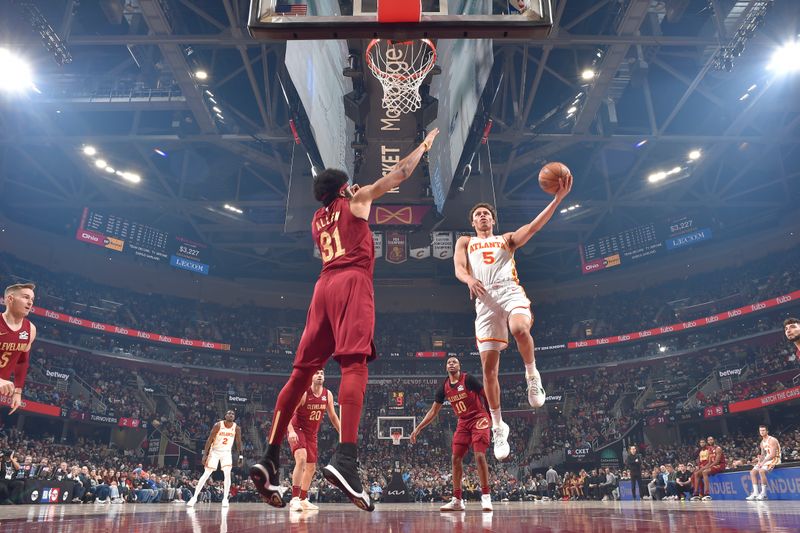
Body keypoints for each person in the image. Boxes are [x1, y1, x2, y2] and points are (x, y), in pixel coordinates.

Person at [250, 128, 440, 511]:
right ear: (345, 188)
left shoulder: (317, 221)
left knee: (301, 374)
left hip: (322, 288)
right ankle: (346, 458)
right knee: (354, 364)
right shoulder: (356, 201)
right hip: (352, 281)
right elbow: (400, 173)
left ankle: (270, 457)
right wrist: (423, 145)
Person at [453, 175, 572, 460]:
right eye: (478, 214)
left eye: (487, 214)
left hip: (509, 292)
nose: (483, 216)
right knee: (488, 371)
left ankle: (532, 375)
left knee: (520, 327)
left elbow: (532, 227)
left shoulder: (505, 240)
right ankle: (497, 426)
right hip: (484, 301)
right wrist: (468, 279)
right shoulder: (465, 242)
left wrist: (556, 200)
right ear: (473, 222)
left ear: (492, 221)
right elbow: (458, 268)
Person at [410, 357, 493, 512]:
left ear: (459, 366)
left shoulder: (468, 379)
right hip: (463, 421)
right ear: (446, 367)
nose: (452, 364)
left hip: (479, 418)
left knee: (479, 456)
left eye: (454, 362)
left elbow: (486, 395)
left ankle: (486, 496)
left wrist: (492, 416)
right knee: (455, 458)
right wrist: (418, 428)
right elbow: (433, 411)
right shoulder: (444, 387)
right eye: (449, 362)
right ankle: (457, 500)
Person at [287, 369, 340, 512]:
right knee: (302, 459)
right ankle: (294, 499)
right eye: (316, 373)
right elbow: (288, 413)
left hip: (312, 434)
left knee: (311, 468)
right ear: (311, 377)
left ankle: (303, 499)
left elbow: (333, 416)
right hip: (297, 429)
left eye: (322, 373)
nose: (320, 375)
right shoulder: (304, 393)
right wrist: (291, 431)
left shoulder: (327, 394)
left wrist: (343, 433)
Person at [188, 410, 243, 507]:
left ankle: (225, 499)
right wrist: (205, 454)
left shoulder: (236, 428)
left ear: (234, 417)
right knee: (206, 474)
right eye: (229, 413)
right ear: (225, 415)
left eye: (232, 414)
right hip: (215, 451)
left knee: (227, 474)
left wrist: (241, 455)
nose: (231, 415)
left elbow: (238, 442)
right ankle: (194, 497)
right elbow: (209, 439)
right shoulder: (218, 425)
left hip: (226, 452)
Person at [0, 283, 37, 414]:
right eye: (26, 297)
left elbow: (22, 361)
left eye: (32, 299)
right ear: (10, 299)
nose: (30, 302)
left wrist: (18, 391)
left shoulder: (30, 329)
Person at [747, 425, 781, 501]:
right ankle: (755, 493)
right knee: (752, 472)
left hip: (775, 458)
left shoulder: (772, 440)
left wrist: (763, 462)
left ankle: (764, 494)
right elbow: (763, 455)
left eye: (763, 430)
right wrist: (758, 461)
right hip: (766, 459)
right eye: (760, 431)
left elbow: (772, 455)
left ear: (767, 431)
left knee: (761, 471)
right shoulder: (762, 442)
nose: (762, 432)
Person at [700, 436, 726, 501]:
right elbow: (709, 462)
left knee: (705, 472)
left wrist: (708, 467)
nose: (710, 441)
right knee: (699, 472)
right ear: (707, 442)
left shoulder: (718, 448)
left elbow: (717, 461)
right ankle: (699, 494)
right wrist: (704, 467)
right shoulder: (709, 450)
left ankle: (707, 494)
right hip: (713, 465)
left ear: (714, 440)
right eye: (708, 440)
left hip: (720, 465)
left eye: (711, 439)